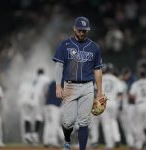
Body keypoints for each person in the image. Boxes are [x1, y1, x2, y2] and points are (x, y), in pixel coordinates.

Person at [53, 16, 104, 150]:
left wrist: (99, 91)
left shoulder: (94, 47)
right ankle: (67, 140)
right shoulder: (65, 45)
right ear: (74, 28)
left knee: (84, 121)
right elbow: (59, 66)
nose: (82, 33)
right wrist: (58, 85)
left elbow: (98, 70)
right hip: (70, 86)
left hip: (88, 86)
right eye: (80, 30)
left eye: (85, 30)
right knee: (68, 122)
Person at [43, 80, 63, 147]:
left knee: (48, 124)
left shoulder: (52, 82)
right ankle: (53, 140)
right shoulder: (62, 83)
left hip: (47, 105)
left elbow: (45, 93)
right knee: (54, 123)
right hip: (55, 106)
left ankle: (46, 141)